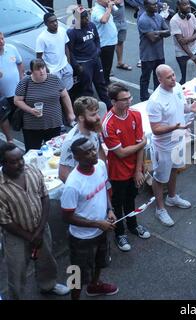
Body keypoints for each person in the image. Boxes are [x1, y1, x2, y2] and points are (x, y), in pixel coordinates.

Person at [0, 143, 70, 300]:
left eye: (21, 159)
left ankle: (48, 286)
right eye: (13, 161)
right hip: (15, 236)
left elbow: (45, 197)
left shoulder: (32, 170)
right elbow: (4, 221)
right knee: (17, 271)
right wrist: (30, 237)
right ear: (3, 164)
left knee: (46, 261)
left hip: (41, 228)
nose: (20, 164)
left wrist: (39, 231)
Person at [60, 137, 118, 299]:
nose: (94, 153)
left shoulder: (99, 165)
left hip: (102, 229)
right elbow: (66, 217)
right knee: (76, 274)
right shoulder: (73, 184)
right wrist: (97, 224)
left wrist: (110, 210)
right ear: (77, 158)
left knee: (100, 262)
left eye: (93, 149)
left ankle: (94, 286)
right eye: (88, 152)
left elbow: (104, 189)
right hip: (81, 238)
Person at [148, 65, 196, 227]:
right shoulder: (155, 101)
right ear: (159, 79)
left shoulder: (177, 87)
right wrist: (176, 127)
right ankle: (160, 208)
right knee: (159, 178)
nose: (173, 79)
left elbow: (181, 106)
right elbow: (155, 129)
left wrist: (190, 108)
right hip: (164, 146)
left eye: (173, 75)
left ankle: (171, 197)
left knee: (174, 170)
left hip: (178, 140)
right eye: (169, 77)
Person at [102, 82, 150, 252]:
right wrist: (142, 144)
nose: (129, 101)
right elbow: (121, 153)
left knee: (131, 199)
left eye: (129, 97)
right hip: (118, 172)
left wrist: (138, 171)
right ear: (113, 102)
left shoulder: (135, 115)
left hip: (133, 170)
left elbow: (139, 145)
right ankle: (119, 233)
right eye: (124, 99)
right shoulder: (108, 124)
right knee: (118, 203)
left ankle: (133, 225)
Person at [14, 59, 75, 151]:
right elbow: (17, 100)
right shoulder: (25, 82)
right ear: (32, 71)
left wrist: (70, 113)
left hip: (54, 123)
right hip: (32, 126)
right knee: (33, 152)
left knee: (54, 151)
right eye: (37, 69)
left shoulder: (54, 79)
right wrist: (31, 110)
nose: (42, 71)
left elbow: (65, 95)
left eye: (43, 68)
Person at [67, 7, 112, 109]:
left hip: (95, 60)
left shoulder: (91, 25)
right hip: (83, 63)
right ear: (77, 19)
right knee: (87, 89)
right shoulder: (72, 32)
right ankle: (91, 110)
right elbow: (69, 52)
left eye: (87, 17)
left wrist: (97, 50)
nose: (87, 20)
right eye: (84, 18)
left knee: (101, 84)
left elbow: (96, 39)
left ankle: (109, 107)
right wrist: (77, 66)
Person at [59, 97, 106, 182]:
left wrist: (104, 175)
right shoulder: (70, 141)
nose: (98, 117)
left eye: (97, 113)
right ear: (81, 118)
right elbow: (63, 174)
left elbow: (100, 150)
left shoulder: (93, 127)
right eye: (93, 115)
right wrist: (82, 189)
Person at [138, 0, 170, 101]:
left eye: (156, 4)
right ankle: (144, 98)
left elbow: (169, 32)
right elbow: (152, 39)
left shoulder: (158, 16)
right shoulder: (143, 20)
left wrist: (157, 32)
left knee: (159, 77)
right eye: (153, 5)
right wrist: (161, 33)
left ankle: (158, 96)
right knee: (145, 78)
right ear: (146, 6)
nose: (156, 6)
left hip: (159, 54)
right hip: (147, 55)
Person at [36, 13, 74, 92]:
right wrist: (47, 70)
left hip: (65, 67)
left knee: (69, 90)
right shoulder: (42, 38)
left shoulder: (62, 30)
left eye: (56, 20)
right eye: (51, 22)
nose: (55, 23)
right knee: (57, 93)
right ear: (46, 24)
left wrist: (68, 62)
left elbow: (66, 46)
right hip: (53, 70)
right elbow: (39, 57)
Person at [169, 0, 196, 85]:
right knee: (185, 78)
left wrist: (187, 39)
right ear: (179, 7)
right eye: (184, 4)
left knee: (192, 76)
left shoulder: (192, 16)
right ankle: (179, 93)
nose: (188, 6)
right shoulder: (174, 21)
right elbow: (181, 42)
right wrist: (192, 56)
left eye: (188, 3)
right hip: (182, 54)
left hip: (194, 50)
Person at [0, 32, 24, 142]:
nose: (1, 42)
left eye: (2, 38)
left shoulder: (11, 49)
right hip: (2, 96)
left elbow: (19, 63)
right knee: (4, 118)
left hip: (17, 92)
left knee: (22, 115)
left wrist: (21, 78)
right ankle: (10, 140)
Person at [91, 0, 118, 84]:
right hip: (104, 43)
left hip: (110, 42)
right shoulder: (97, 10)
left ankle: (105, 81)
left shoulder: (104, 8)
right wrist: (109, 8)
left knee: (107, 66)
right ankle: (104, 84)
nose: (108, 0)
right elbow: (104, 20)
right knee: (104, 66)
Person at [112, 0, 133, 72]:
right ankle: (107, 67)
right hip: (111, 22)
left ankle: (119, 62)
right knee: (110, 45)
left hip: (122, 21)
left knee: (120, 42)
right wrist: (114, 2)